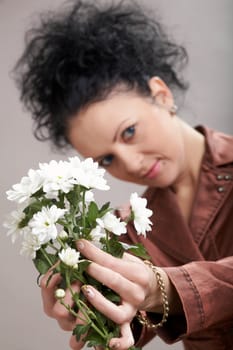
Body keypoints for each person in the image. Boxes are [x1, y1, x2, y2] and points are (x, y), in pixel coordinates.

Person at [13, 0, 233, 349]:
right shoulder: (124, 230)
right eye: (105, 160)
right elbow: (136, 317)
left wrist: (166, 289)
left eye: (129, 132)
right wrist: (95, 312)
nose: (129, 164)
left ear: (160, 95)